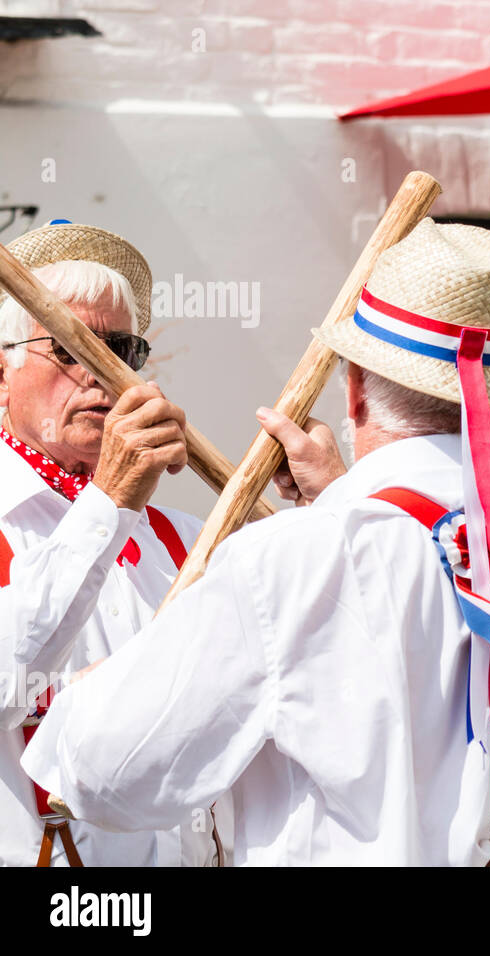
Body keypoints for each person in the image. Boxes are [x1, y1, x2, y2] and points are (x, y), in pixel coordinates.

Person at [23, 220, 490, 866]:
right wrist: (338, 497)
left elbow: (110, 775)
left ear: (355, 387)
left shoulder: (288, 562)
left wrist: (95, 691)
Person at [0, 221, 220, 867]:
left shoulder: (185, 540)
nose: (101, 375)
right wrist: (110, 502)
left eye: (119, 349)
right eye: (69, 348)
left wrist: (322, 509)